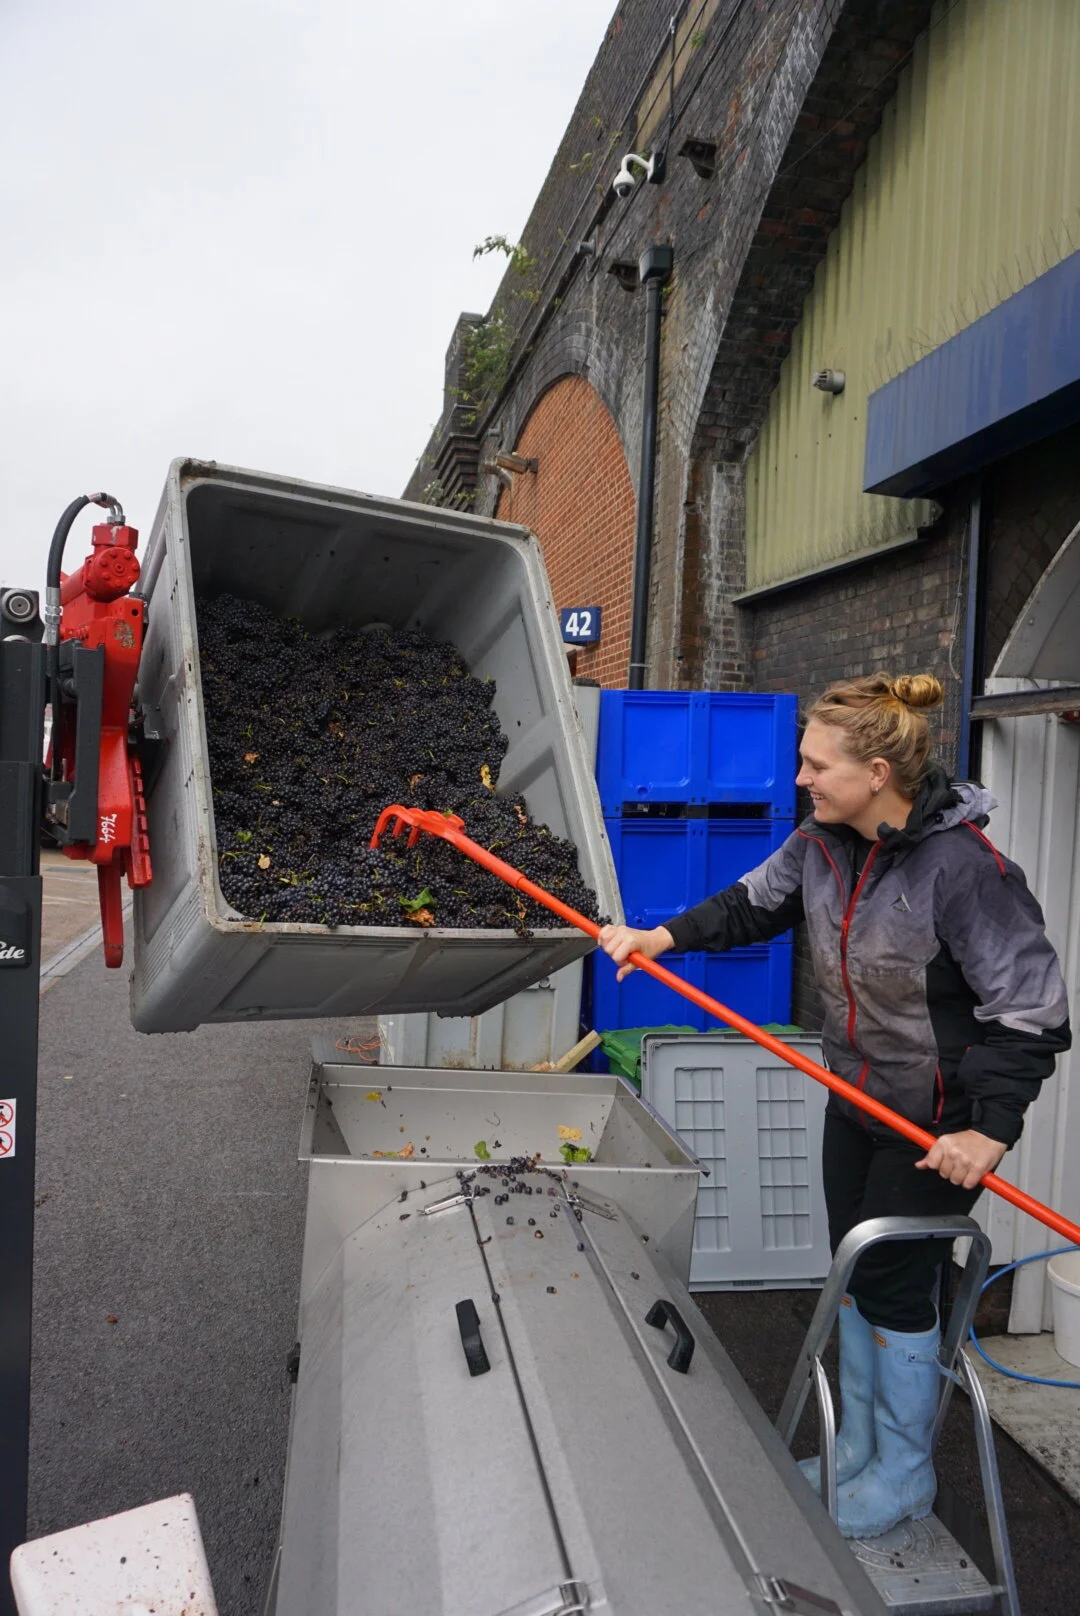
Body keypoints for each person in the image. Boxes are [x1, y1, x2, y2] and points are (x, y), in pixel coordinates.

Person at [598, 672, 1071, 1540]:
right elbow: (750, 904)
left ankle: (904, 1473)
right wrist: (657, 938)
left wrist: (987, 1130)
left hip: (935, 1120)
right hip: (855, 1099)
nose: (801, 778)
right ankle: (856, 1450)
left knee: (892, 1278)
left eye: (817, 764)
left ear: (878, 773)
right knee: (850, 1269)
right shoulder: (821, 843)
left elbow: (1032, 1011)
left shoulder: (966, 870)